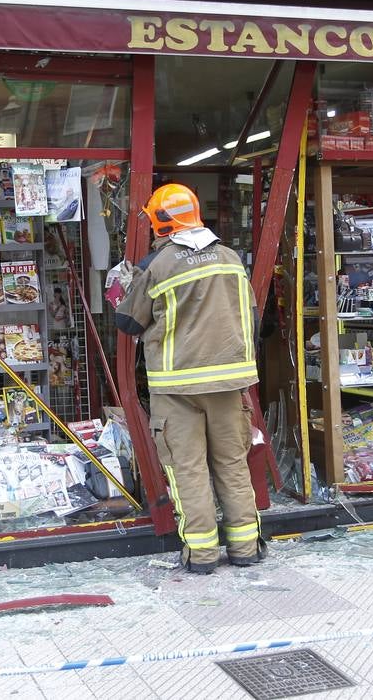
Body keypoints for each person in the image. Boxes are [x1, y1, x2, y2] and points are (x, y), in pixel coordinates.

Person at [115, 183, 265, 573]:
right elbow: (252, 316)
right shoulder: (231, 259)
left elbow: (128, 321)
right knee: (233, 464)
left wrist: (123, 288)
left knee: (188, 470)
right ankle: (246, 549)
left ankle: (201, 555)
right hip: (231, 385)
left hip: (177, 387)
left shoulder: (156, 266)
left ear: (160, 222)